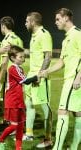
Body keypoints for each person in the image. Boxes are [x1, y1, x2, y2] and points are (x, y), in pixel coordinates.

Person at [40, 8, 81, 150]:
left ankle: (57, 148)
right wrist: (47, 71)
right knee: (78, 113)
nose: (55, 22)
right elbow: (61, 62)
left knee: (62, 111)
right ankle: (74, 147)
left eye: (58, 19)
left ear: (66, 18)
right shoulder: (66, 39)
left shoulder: (77, 35)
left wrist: (78, 78)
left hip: (74, 80)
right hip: (72, 80)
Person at [0, 45, 38, 150]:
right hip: (13, 101)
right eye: (20, 57)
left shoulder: (19, 68)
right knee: (14, 125)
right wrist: (38, 76)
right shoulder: (13, 69)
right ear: (12, 58)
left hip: (18, 100)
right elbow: (26, 81)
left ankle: (18, 147)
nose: (23, 59)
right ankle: (0, 139)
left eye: (23, 56)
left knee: (20, 126)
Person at [24, 12, 53, 148]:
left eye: (27, 21)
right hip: (31, 75)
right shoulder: (33, 35)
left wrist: (40, 75)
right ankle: (29, 133)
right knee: (28, 104)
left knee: (45, 107)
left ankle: (48, 139)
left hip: (40, 77)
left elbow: (48, 56)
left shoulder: (44, 34)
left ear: (33, 22)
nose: (25, 24)